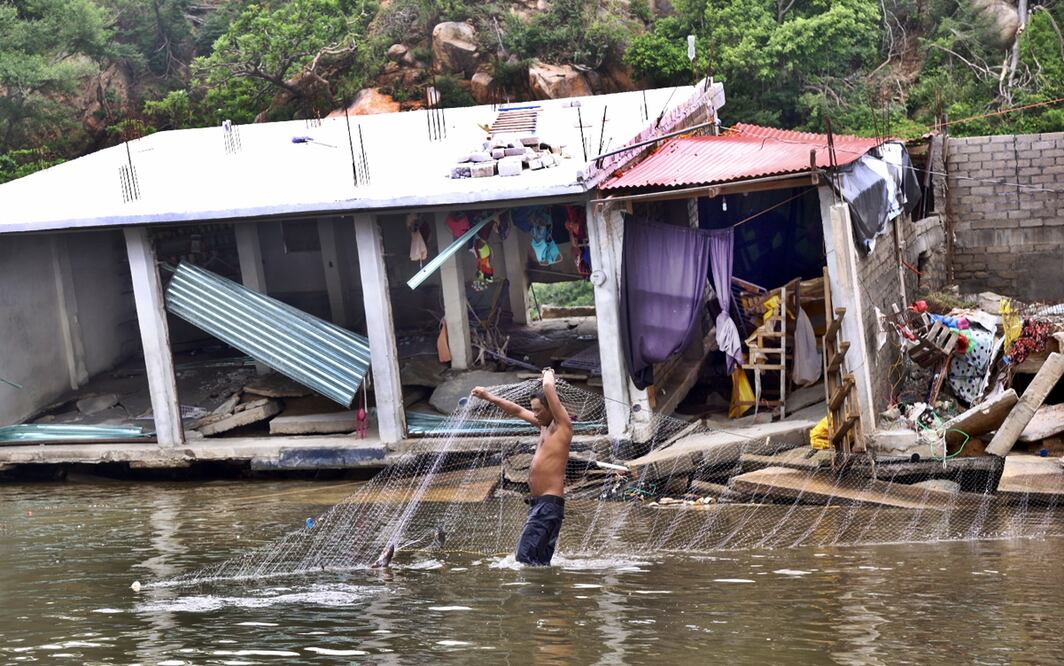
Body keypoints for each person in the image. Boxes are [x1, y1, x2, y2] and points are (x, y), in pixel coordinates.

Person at [471, 368, 573, 565]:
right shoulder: (543, 426)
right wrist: (488, 396)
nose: (535, 415)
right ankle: (546, 594)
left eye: (538, 411)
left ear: (551, 408)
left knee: (523, 559)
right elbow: (516, 409)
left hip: (547, 506)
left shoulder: (563, 426)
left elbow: (548, 386)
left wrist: (548, 372)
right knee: (539, 563)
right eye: (533, 410)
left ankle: (531, 595)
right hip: (542, 506)